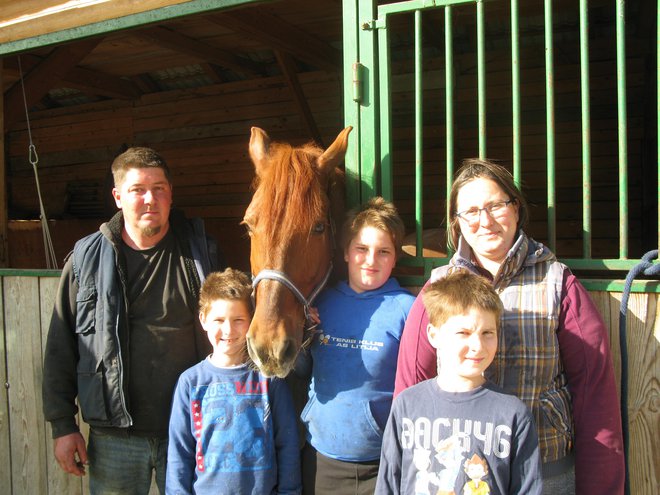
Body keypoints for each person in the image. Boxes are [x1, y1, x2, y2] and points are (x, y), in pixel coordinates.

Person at [394, 158, 624, 494]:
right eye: (470, 211)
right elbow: (409, 385)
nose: (484, 220)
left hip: (546, 472)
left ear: (516, 209)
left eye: (496, 205)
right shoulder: (439, 288)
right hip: (457, 474)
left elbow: (595, 397)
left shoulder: (558, 285)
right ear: (457, 223)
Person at [42, 147, 222, 494]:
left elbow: (236, 323)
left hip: (190, 429)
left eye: (159, 188)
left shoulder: (202, 253)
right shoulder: (85, 260)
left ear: (170, 193)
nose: (150, 198)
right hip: (115, 438)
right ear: (118, 197)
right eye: (138, 189)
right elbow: (61, 347)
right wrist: (63, 426)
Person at [376, 271, 542, 495]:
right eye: (463, 332)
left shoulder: (513, 414)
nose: (477, 345)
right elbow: (388, 484)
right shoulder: (407, 405)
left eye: (487, 333)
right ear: (434, 336)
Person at [295, 197, 416, 494]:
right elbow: (301, 371)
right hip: (321, 458)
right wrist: (301, 337)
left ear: (395, 258)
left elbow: (417, 384)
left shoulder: (407, 310)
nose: (371, 260)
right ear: (347, 253)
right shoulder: (322, 302)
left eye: (383, 252)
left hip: (382, 462)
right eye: (361, 249)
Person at [166, 268, 301, 494]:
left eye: (238, 320)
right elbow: (180, 452)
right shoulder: (190, 382)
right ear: (203, 320)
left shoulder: (269, 379)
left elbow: (287, 444)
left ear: (252, 320)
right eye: (219, 319)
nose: (228, 330)